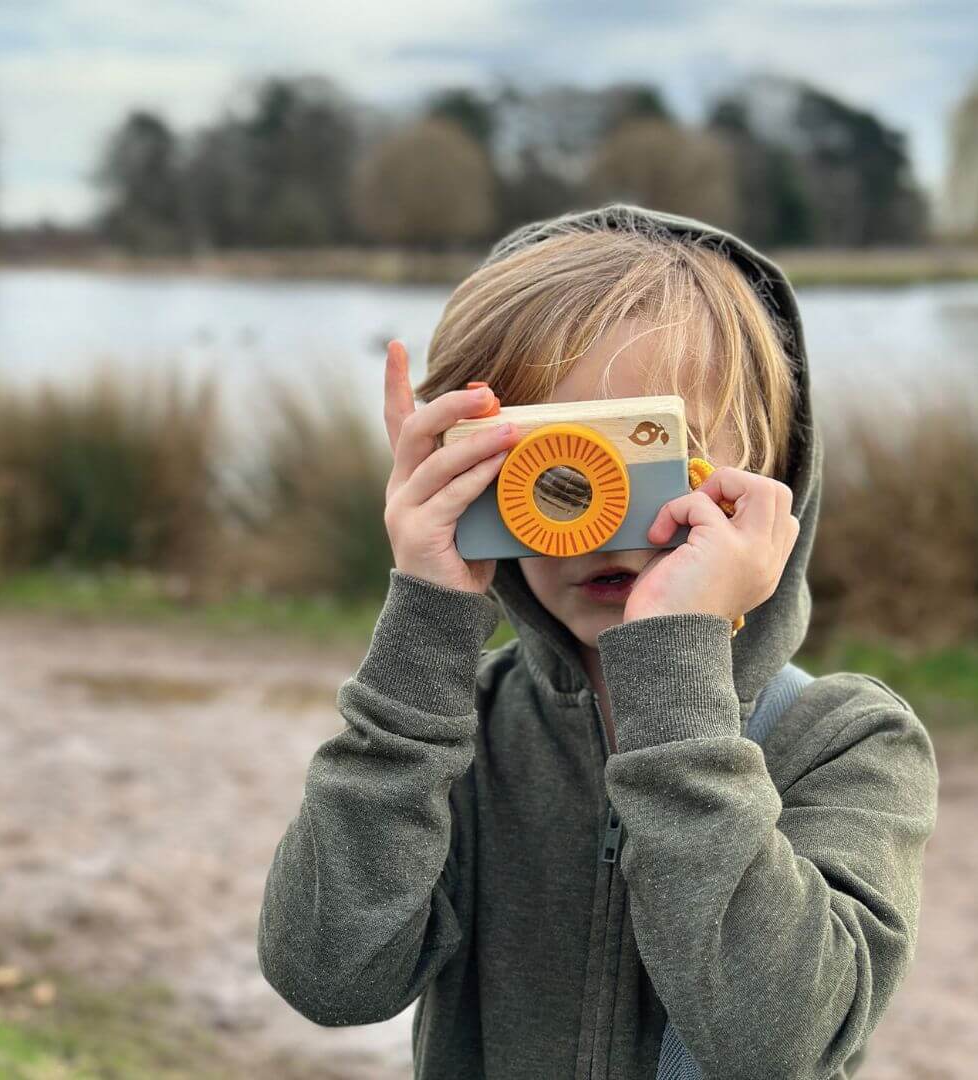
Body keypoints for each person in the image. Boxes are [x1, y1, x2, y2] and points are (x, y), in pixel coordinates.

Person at [256, 204, 939, 1080]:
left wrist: (677, 688)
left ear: (770, 478)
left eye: (652, 456)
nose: (602, 523)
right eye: (550, 470)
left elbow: (780, 1043)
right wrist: (426, 628)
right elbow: (329, 978)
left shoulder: (847, 743)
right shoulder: (452, 732)